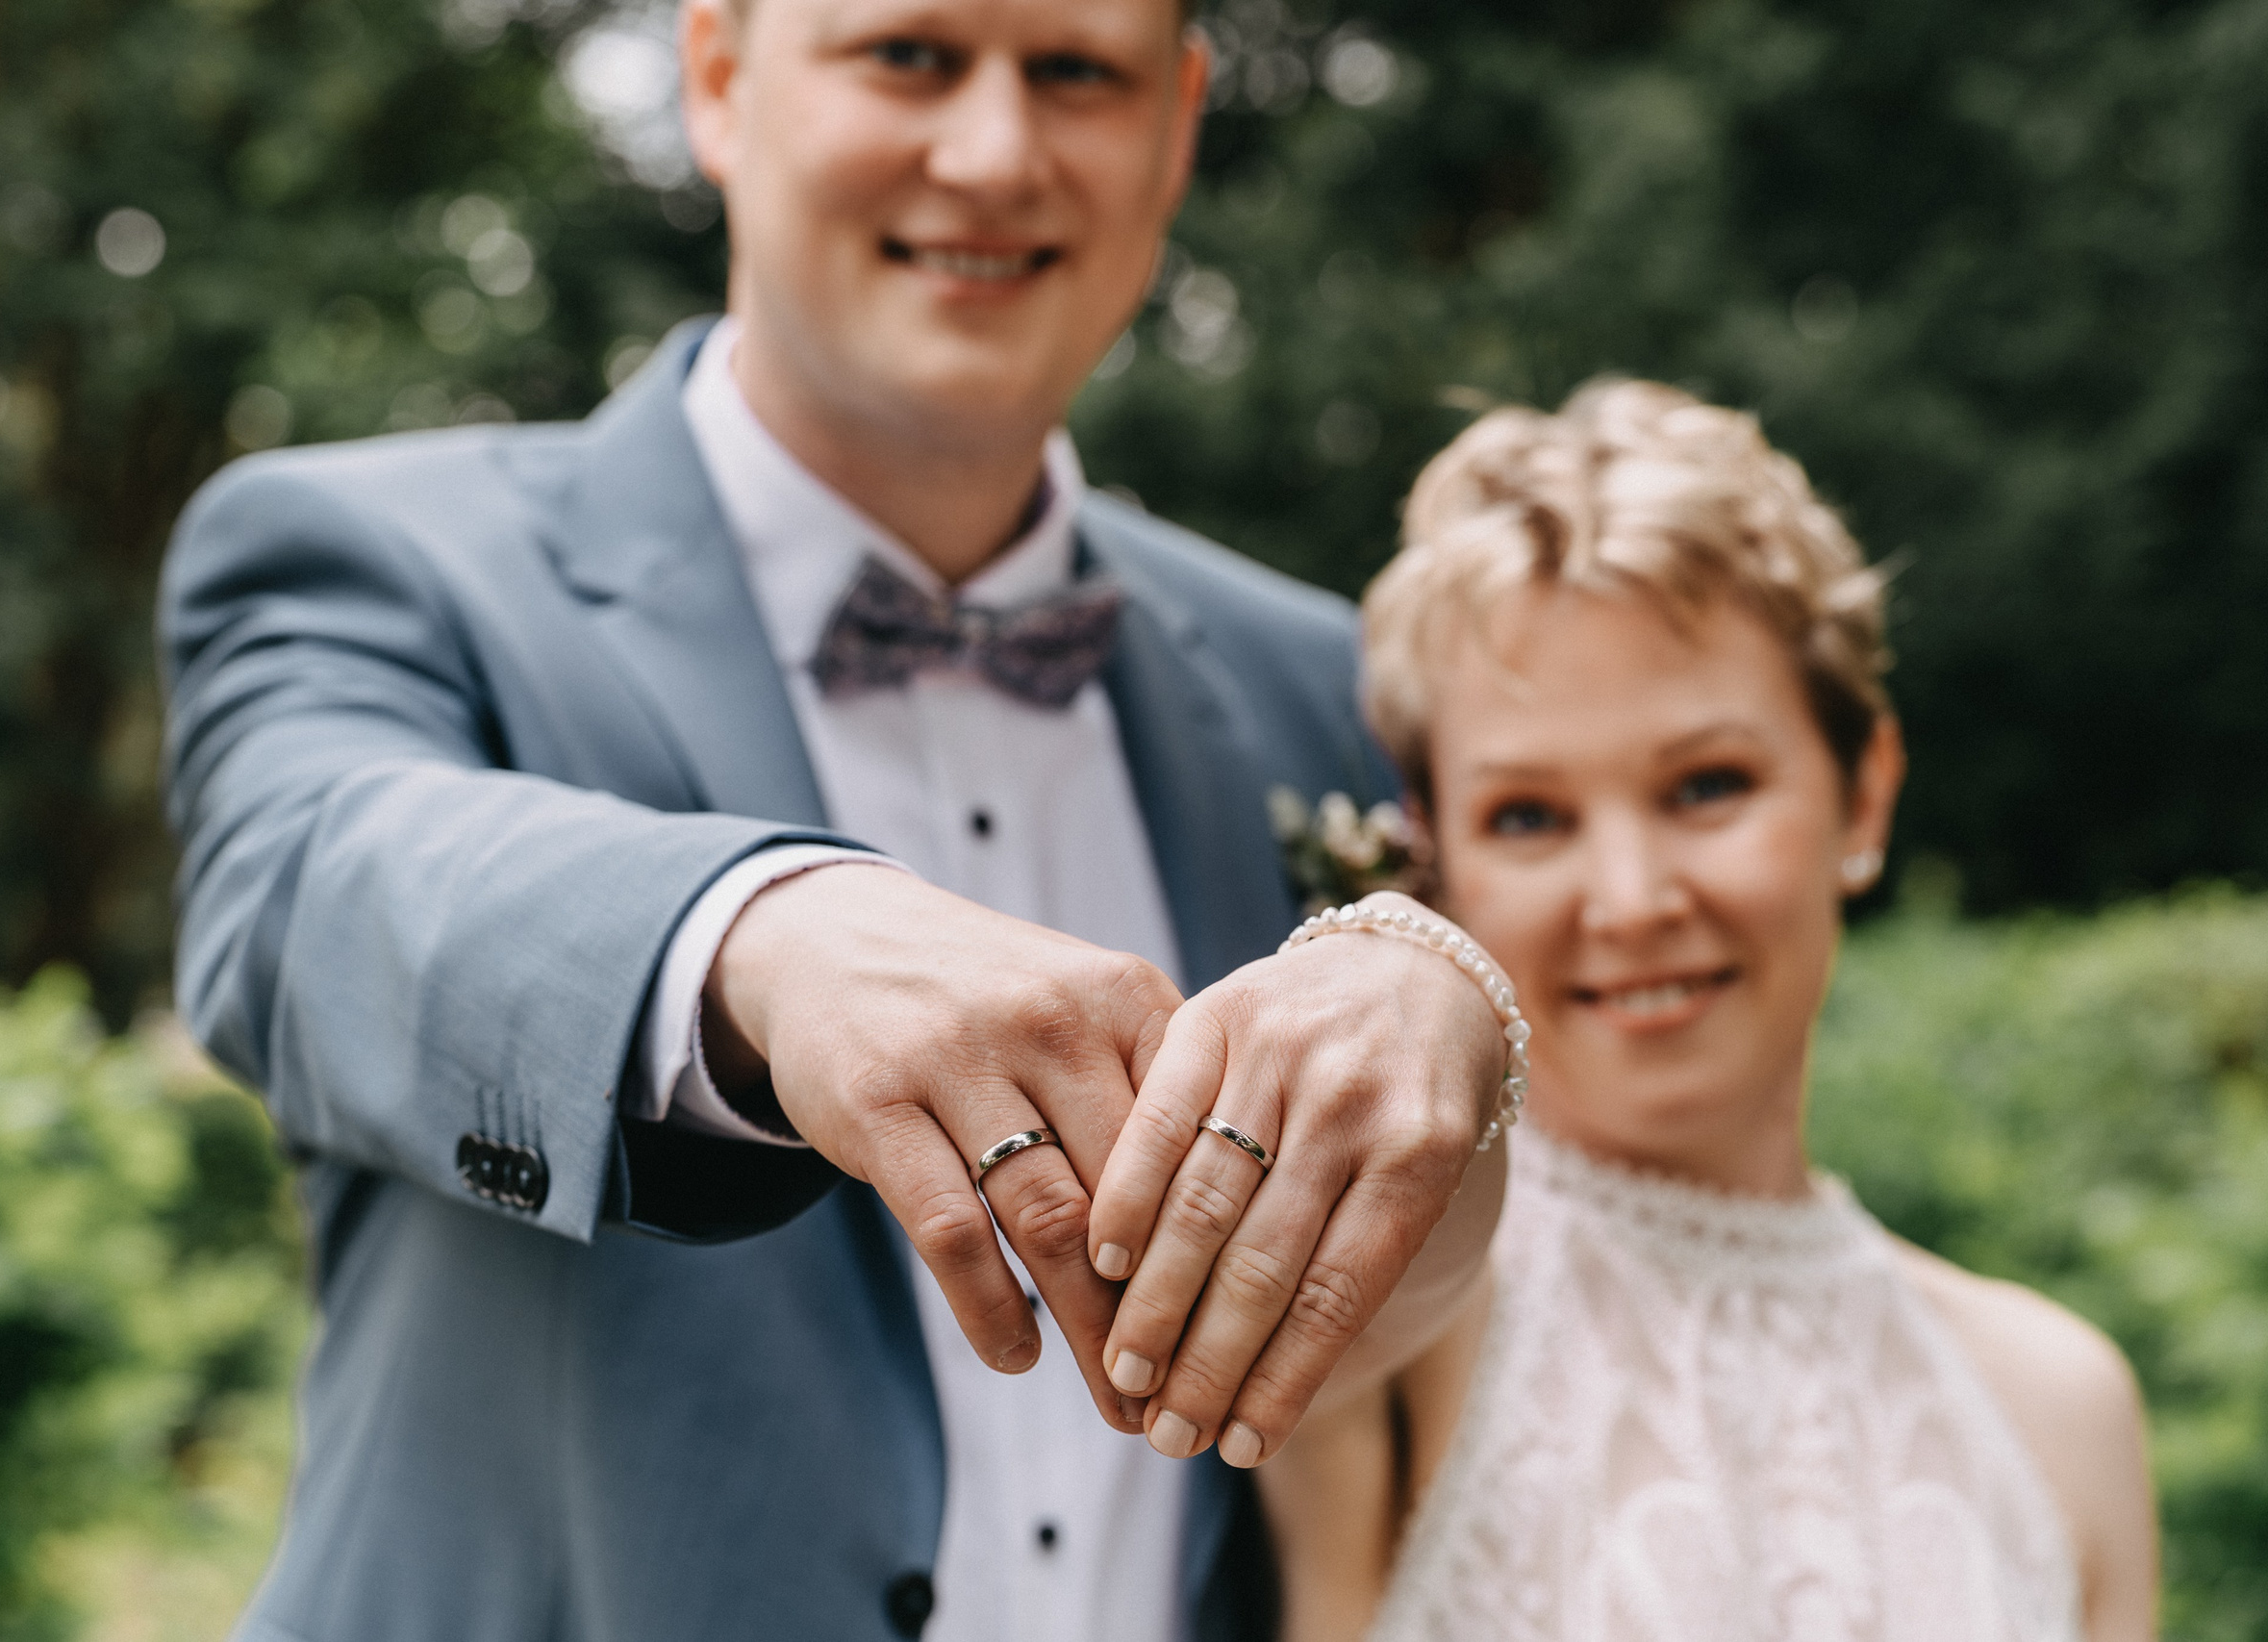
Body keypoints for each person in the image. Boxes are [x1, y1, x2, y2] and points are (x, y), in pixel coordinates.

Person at [157, 0, 1510, 1637]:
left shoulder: (1323, 682)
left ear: (1175, 125)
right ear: (719, 81)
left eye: (1075, 73)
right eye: (912, 57)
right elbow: (307, 884)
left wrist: (1451, 993)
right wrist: (761, 936)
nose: (995, 154)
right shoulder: (370, 552)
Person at [1251, 380, 2160, 1642]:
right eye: (1527, 816)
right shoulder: (1402, 1303)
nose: (1628, 902)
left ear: (1865, 793)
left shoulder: (2060, 1403)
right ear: (1436, 857)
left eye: (1707, 786)